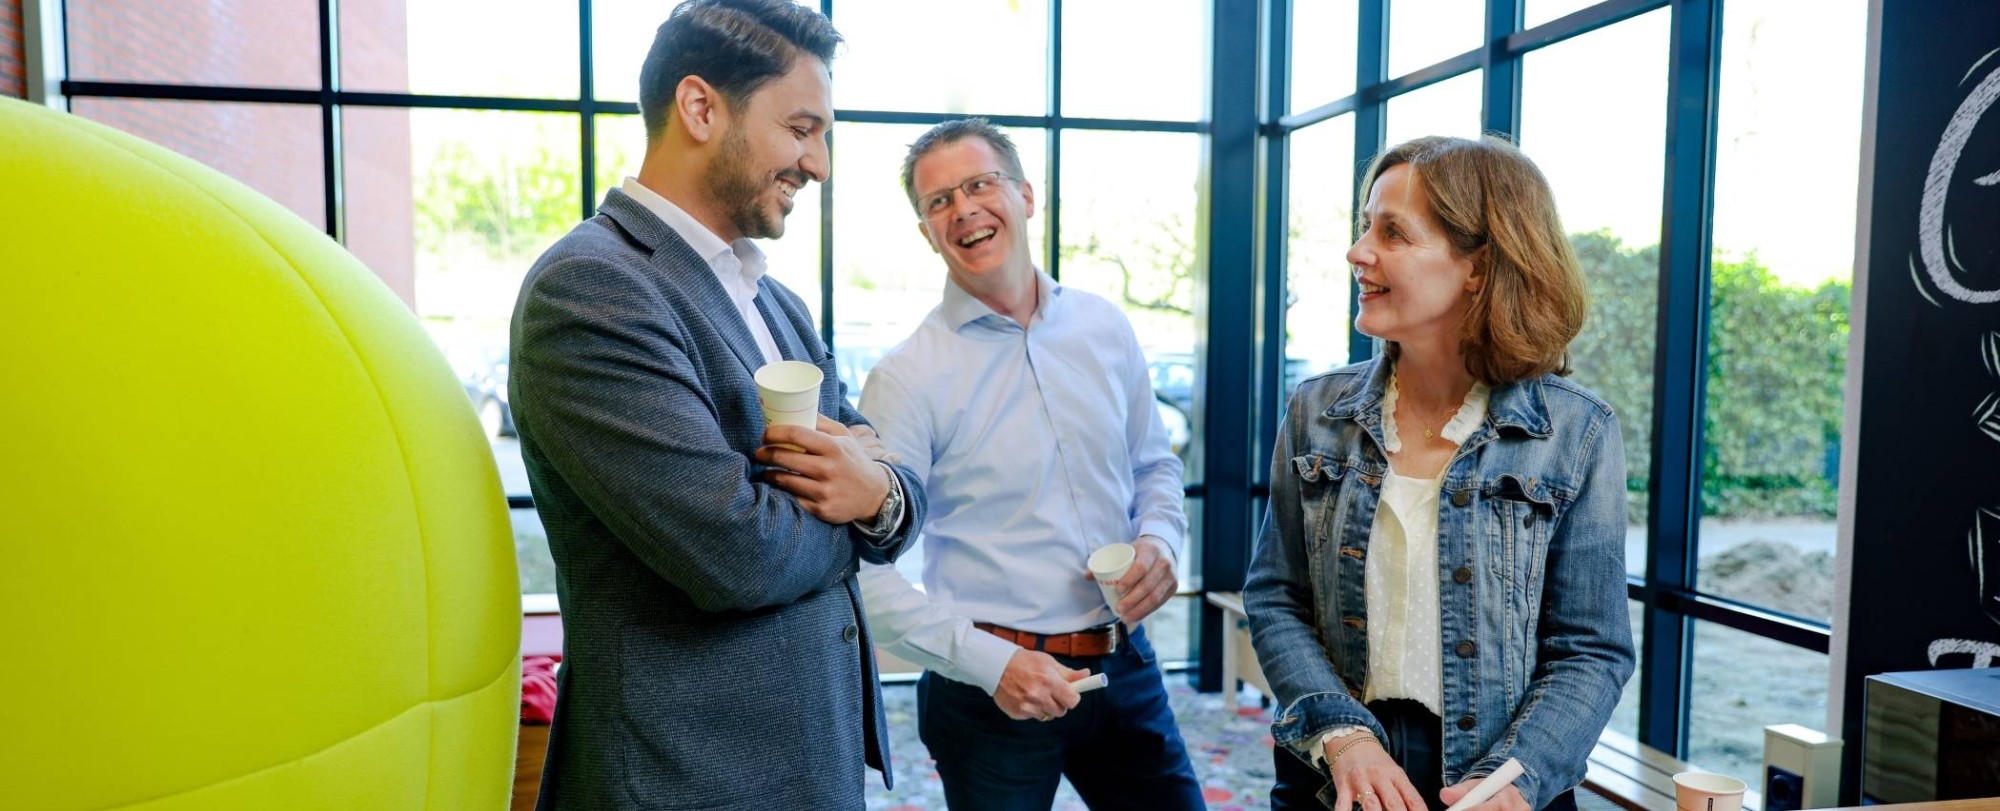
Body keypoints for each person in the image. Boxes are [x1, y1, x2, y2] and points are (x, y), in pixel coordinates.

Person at [507, 2, 925, 808]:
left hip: (808, 766)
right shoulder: (592, 288)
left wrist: (880, 490)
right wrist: (863, 501)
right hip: (687, 780)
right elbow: (735, 552)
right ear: (700, 107)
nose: (820, 163)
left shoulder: (776, 300)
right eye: (802, 128)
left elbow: (894, 467)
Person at [1244, 135, 1635, 811]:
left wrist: (1519, 775)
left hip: (1497, 782)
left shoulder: (1578, 433)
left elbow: (1591, 650)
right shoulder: (1315, 411)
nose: (1358, 252)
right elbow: (1276, 598)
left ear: (1479, 266)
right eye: (1365, 225)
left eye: (1393, 232)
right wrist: (1343, 734)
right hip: (1334, 774)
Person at [854, 118, 1207, 811]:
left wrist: (1161, 538)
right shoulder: (906, 377)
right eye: (939, 201)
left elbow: (1154, 467)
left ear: (1024, 195)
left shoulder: (1106, 327)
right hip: (990, 690)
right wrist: (993, 664)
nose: (963, 209)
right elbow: (867, 577)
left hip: (1126, 664)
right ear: (927, 231)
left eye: (980, 184)